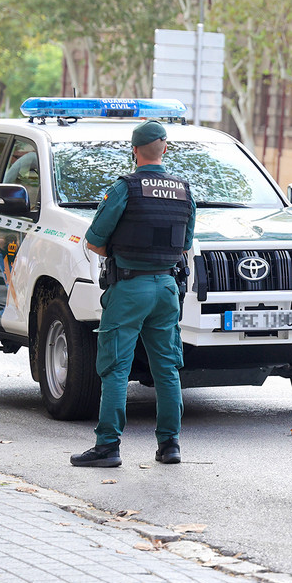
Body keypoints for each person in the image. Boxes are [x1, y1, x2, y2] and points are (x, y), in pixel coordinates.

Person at [71, 120, 196, 468]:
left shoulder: (125, 188)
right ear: (165, 149)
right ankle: (169, 446)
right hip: (167, 288)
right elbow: (184, 245)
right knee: (167, 369)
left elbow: (95, 240)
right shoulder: (184, 191)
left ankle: (108, 446)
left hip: (129, 288)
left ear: (135, 151)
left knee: (115, 368)